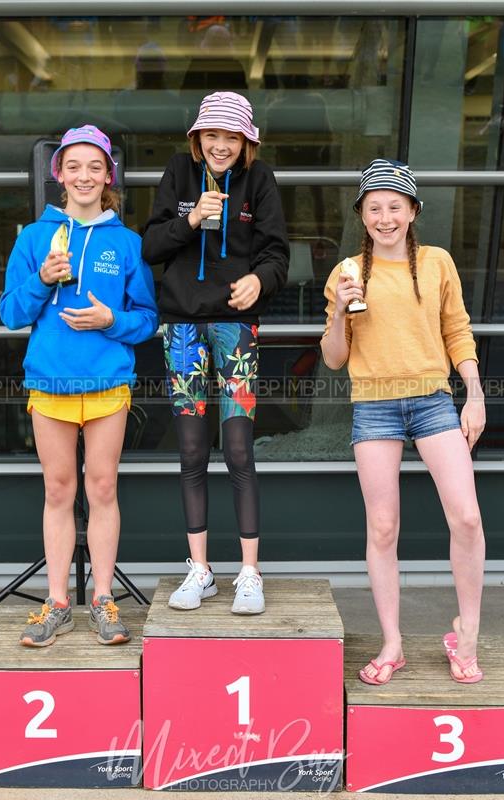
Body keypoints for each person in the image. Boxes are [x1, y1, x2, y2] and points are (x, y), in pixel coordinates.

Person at [320, 159, 486, 684]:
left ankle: (468, 635)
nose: (385, 217)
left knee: (467, 517)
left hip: (434, 400)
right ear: (362, 216)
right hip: (374, 405)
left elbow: (458, 332)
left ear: (413, 211)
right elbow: (333, 359)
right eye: (374, 208)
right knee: (384, 527)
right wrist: (339, 313)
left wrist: (475, 394)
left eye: (395, 206)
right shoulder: (347, 271)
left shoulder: (437, 263)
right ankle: (393, 642)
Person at [0, 125, 158, 647]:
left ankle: (104, 599)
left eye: (95, 166)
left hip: (108, 383)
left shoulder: (127, 242)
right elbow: (10, 314)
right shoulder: (33, 237)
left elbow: (147, 320)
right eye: (74, 167)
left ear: (108, 175)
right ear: (58, 175)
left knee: (103, 487)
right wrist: (42, 279)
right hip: (50, 383)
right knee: (58, 490)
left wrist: (111, 319)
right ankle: (57, 602)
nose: (85, 175)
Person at [142, 91, 289, 615]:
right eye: (212, 135)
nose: (220, 145)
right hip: (182, 326)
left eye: (231, 137)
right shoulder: (179, 173)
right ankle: (200, 570)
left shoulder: (260, 179)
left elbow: (278, 253)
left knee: (239, 449)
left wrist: (259, 280)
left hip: (236, 328)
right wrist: (190, 218)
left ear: (246, 142)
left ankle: (250, 571)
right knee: (189, 451)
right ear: (197, 137)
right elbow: (151, 247)